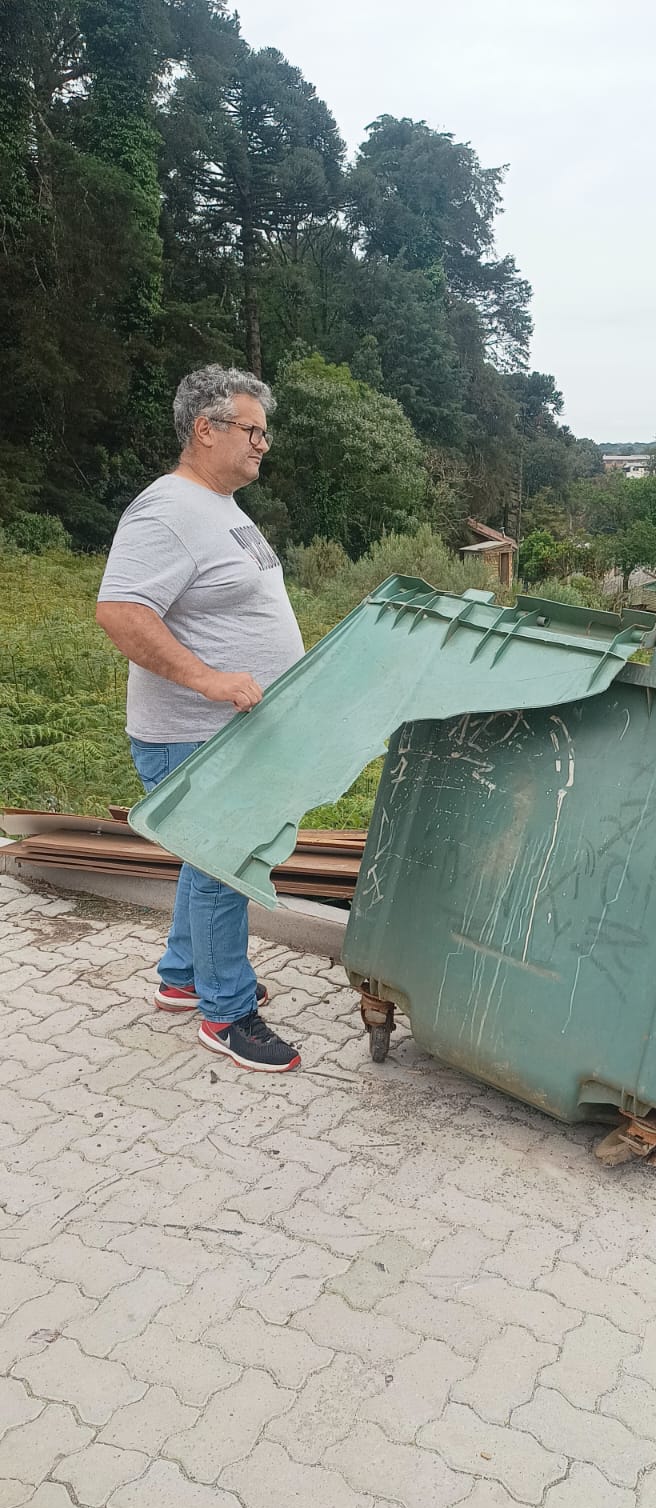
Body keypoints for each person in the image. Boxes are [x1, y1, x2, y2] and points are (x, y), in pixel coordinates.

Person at [96, 364, 304, 1074]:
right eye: (251, 430)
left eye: (264, 432)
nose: (262, 444)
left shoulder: (221, 507)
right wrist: (207, 680)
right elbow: (121, 612)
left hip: (222, 733)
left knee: (207, 859)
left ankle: (184, 977)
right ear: (204, 429)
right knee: (225, 865)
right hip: (191, 733)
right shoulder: (167, 510)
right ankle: (226, 1012)